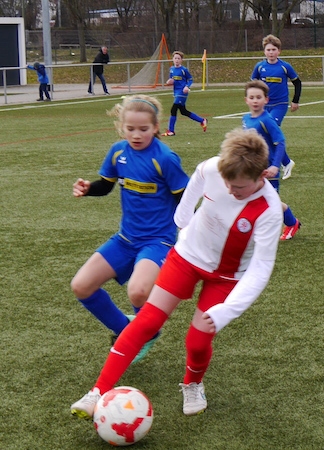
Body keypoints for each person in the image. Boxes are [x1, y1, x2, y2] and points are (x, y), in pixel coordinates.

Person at [70, 127, 284, 419]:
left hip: (226, 277)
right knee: (146, 321)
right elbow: (198, 177)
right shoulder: (213, 168)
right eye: (227, 183)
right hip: (186, 258)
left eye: (239, 188)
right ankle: (97, 392)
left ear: (262, 176)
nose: (231, 191)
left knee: (197, 340)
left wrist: (228, 310)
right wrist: (183, 219)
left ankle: (193, 384)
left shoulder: (269, 210)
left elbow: (260, 269)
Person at [70, 94, 190, 363]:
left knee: (138, 291)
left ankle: (145, 334)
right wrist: (88, 188)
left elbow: (185, 199)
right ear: (121, 127)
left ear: (156, 127)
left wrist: (190, 235)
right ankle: (128, 331)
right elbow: (106, 186)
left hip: (158, 241)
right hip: (125, 239)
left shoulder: (165, 158)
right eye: (130, 129)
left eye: (144, 129)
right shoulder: (118, 152)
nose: (136, 135)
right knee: (81, 286)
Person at [242, 80, 302, 240]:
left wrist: (275, 165)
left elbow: (280, 142)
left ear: (266, 100)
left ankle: (292, 223)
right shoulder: (246, 119)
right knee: (251, 198)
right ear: (246, 100)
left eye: (259, 97)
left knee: (271, 203)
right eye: (252, 97)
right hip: (252, 169)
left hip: (268, 169)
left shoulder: (267, 120)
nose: (255, 101)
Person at [251, 34, 300, 180]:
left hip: (280, 105)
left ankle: (277, 164)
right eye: (268, 50)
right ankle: (286, 162)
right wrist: (254, 100)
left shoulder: (285, 67)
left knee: (269, 131)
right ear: (264, 51)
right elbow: (253, 85)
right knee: (266, 134)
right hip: (264, 106)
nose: (271, 52)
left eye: (274, 50)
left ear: (279, 51)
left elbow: (297, 82)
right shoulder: (259, 67)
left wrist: (295, 100)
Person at [162, 51, 208, 136]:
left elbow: (190, 79)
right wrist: (169, 82)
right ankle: (202, 120)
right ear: (173, 59)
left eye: (178, 58)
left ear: (181, 60)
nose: (177, 60)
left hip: (182, 92)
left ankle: (171, 131)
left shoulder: (184, 70)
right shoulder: (172, 69)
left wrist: (187, 87)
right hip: (176, 92)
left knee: (173, 109)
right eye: (175, 58)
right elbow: (171, 79)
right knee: (183, 111)